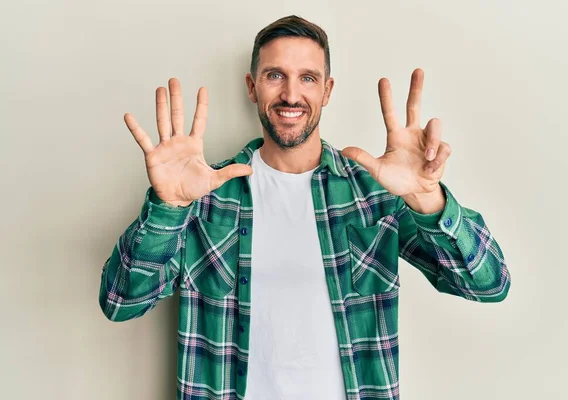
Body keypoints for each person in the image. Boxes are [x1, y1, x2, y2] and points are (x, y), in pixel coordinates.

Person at [99, 14, 511, 400]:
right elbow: (120, 302)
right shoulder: (204, 194)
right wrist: (168, 208)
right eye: (275, 75)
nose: (291, 94)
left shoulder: (374, 194)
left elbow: (489, 285)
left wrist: (427, 201)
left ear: (327, 90)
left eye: (308, 78)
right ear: (251, 86)